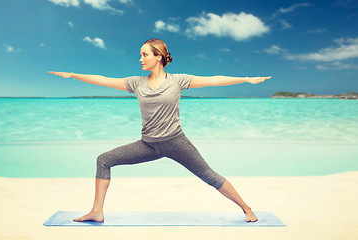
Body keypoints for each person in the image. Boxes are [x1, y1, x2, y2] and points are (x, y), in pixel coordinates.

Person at [48, 38, 271, 223]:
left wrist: (245, 79)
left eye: (145, 55)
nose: (141, 59)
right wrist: (74, 75)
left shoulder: (177, 81)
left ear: (159, 57)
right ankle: (97, 211)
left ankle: (246, 208)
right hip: (148, 145)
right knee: (104, 159)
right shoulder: (136, 83)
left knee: (210, 176)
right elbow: (104, 80)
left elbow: (213, 80)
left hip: (176, 142)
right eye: (141, 55)